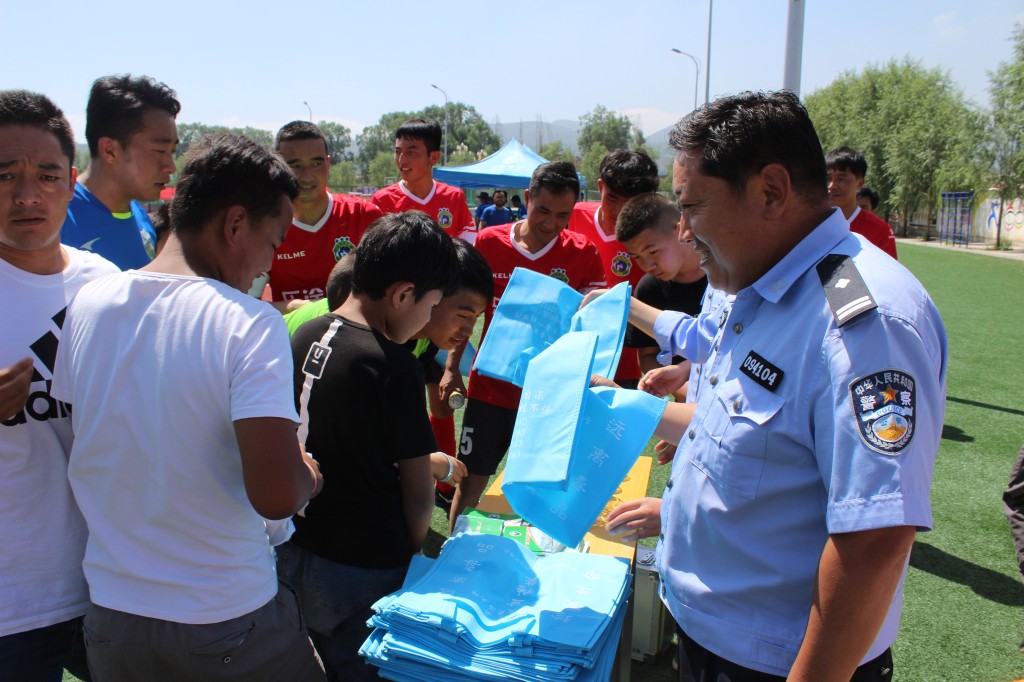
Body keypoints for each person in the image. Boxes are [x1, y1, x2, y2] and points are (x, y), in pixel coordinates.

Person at [600, 91, 947, 681]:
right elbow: (746, 440)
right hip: (712, 637)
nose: (683, 229)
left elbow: (875, 544)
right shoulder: (756, 286)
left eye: (692, 208)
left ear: (771, 191)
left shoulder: (861, 321)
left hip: (776, 663)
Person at [52, 133, 325, 681]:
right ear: (235, 225)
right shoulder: (249, 322)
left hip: (113, 616)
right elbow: (275, 496)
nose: (266, 267)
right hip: (223, 615)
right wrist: (307, 475)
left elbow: (84, 436)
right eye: (272, 244)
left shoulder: (89, 303)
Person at [280, 211, 459, 681]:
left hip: (294, 550)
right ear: (402, 294)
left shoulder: (304, 333)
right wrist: (415, 553)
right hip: (363, 566)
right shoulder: (392, 365)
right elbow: (419, 491)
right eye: (432, 305)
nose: (428, 319)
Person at [0, 89, 118, 682]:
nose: (27, 195)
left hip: (112, 579)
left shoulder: (107, 286)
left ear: (71, 182)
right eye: (5, 176)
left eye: (45, 174)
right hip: (12, 603)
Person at [449, 160, 606, 530]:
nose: (551, 223)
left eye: (563, 215)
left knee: (539, 490)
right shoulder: (489, 243)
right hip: (490, 390)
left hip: (548, 396)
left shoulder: (583, 254)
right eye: (544, 211)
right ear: (526, 199)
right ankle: (451, 552)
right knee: (471, 480)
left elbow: (591, 328)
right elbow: (463, 315)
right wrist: (451, 367)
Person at [405, 238, 492, 508]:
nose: (469, 332)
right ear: (431, 296)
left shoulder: (421, 337)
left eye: (476, 317)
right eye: (464, 315)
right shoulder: (371, 345)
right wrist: (426, 462)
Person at [60, 74, 180, 270]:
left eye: (172, 152)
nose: (171, 166)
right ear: (110, 150)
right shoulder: (58, 219)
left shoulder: (140, 218)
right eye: (160, 151)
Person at [266, 121, 383, 312]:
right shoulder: (263, 227)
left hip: (354, 337)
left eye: (316, 163)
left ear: (328, 163)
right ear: (278, 167)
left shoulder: (365, 216)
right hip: (292, 338)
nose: (307, 176)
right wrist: (299, 308)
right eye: (295, 165)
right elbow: (246, 304)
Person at [568, 148, 659, 388]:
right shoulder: (573, 216)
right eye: (612, 199)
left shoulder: (654, 237)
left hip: (624, 362)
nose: (619, 212)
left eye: (630, 204)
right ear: (600, 187)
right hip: (571, 352)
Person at [371, 119, 476, 242]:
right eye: (398, 151)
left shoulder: (454, 197)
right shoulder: (382, 200)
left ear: (434, 157)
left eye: (411, 152)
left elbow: (469, 246)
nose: (402, 160)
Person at [826, 147, 898, 259]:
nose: (832, 186)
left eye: (841, 178)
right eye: (828, 178)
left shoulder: (880, 230)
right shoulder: (810, 224)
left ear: (860, 183)